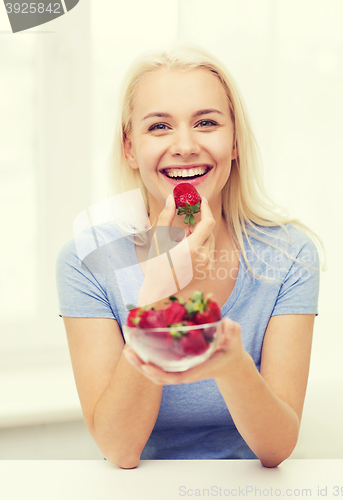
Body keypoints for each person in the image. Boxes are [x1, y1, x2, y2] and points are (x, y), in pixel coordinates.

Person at [56, 44, 324, 469]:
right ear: (130, 148)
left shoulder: (289, 255)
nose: (184, 145)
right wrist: (156, 296)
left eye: (206, 122)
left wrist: (232, 363)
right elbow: (120, 449)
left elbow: (276, 449)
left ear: (234, 142)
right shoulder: (85, 261)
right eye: (159, 126)